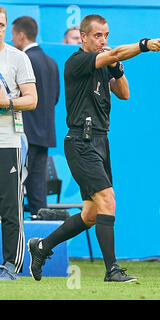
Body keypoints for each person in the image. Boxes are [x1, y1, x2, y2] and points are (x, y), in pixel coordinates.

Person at [27, 14, 160, 282]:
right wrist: (143, 44)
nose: (102, 40)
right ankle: (112, 270)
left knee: (91, 214)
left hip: (100, 140)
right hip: (81, 141)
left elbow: (124, 93)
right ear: (83, 37)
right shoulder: (77, 61)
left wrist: (117, 67)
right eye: (97, 35)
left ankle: (41, 246)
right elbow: (114, 53)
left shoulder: (105, 62)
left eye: (105, 35)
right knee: (107, 201)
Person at [0, 6, 37, 281]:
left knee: (11, 208)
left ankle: (11, 266)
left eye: (1, 25)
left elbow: (32, 99)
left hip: (7, 142)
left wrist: (7, 103)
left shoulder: (17, 57)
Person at [11, 16, 60, 216]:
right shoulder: (51, 62)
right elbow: (54, 98)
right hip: (45, 134)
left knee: (16, 185)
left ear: (21, 35)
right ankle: (42, 239)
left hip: (24, 135)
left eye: (12, 35)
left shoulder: (22, 60)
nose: (11, 40)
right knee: (37, 189)